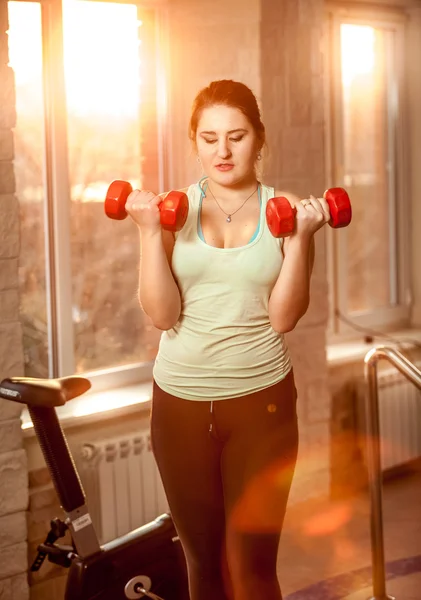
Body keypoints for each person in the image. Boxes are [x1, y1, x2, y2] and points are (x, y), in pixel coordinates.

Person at [125, 80, 330, 600]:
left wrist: (302, 240)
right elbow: (162, 314)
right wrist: (150, 234)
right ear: (194, 141)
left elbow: (284, 317)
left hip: (261, 401)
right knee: (204, 565)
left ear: (259, 140)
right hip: (179, 406)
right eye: (209, 137)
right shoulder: (172, 210)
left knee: (253, 569)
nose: (222, 150)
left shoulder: (286, 212)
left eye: (236, 136)